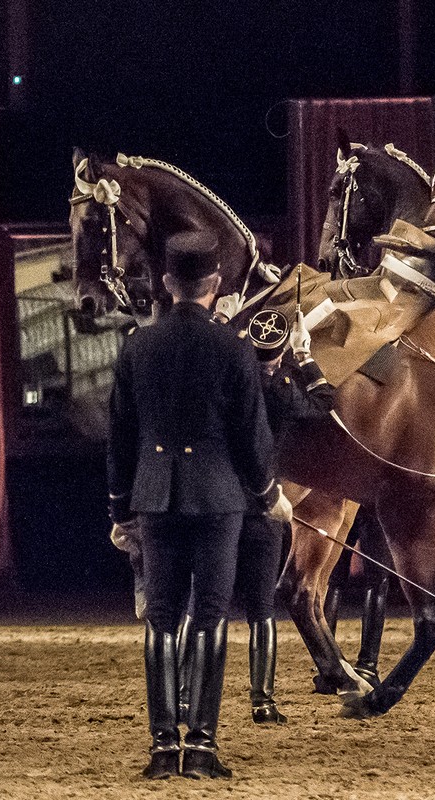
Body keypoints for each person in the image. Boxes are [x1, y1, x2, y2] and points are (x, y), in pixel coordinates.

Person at [107, 230, 290, 780]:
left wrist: (120, 513)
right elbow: (251, 438)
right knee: (210, 614)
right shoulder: (235, 348)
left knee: (161, 617)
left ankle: (163, 747)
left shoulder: (137, 345)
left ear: (166, 283)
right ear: (214, 284)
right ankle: (203, 746)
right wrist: (269, 496)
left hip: (156, 499)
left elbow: (119, 437)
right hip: (219, 499)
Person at [232, 306, 335, 724]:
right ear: (279, 353)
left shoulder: (229, 381)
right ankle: (262, 700)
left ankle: (185, 695)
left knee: (201, 604)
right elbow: (325, 403)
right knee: (261, 609)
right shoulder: (283, 390)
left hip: (217, 501)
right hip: (263, 504)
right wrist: (305, 356)